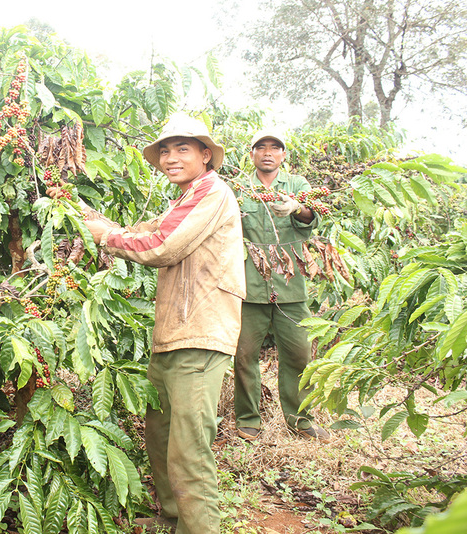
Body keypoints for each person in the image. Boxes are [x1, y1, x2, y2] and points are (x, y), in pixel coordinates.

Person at [58, 113, 246, 534]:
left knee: (188, 446)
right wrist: (90, 216)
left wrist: (104, 236)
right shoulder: (184, 199)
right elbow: (144, 230)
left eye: (182, 149)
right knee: (160, 434)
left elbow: (162, 245)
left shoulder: (211, 192)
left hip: (200, 333)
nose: (171, 158)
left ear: (205, 155)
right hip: (174, 334)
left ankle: (200, 529)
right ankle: (173, 515)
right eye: (165, 150)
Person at [232, 130, 331, 443]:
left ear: (283, 155)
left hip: (290, 287)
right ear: (252, 154)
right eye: (261, 147)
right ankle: (248, 419)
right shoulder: (240, 188)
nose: (268, 153)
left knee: (299, 355)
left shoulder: (297, 185)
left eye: (275, 148)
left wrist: (297, 208)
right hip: (249, 286)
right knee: (244, 356)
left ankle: (300, 420)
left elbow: (311, 217)